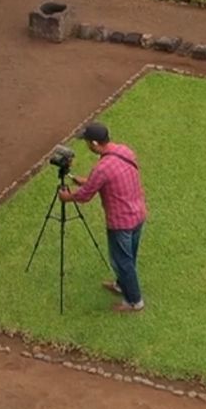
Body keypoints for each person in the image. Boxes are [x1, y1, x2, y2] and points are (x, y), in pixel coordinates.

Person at [59, 121, 148, 313]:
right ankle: (120, 284)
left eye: (87, 143)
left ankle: (134, 302)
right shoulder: (125, 151)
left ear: (94, 143)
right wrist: (78, 179)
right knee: (129, 255)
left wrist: (67, 197)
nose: (87, 146)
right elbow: (104, 181)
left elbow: (85, 195)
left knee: (122, 261)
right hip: (138, 213)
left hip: (121, 222)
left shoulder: (102, 168)